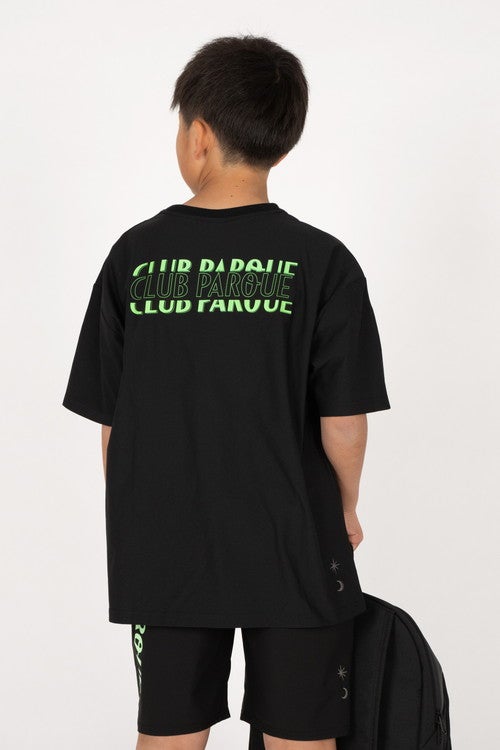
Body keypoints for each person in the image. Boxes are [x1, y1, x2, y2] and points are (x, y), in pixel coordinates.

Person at [62, 34, 391, 750]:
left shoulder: (135, 257)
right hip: (296, 541)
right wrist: (343, 506)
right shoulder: (324, 262)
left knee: (170, 734)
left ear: (199, 135)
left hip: (169, 548)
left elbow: (114, 426)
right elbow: (344, 421)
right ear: (281, 141)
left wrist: (145, 521)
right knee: (302, 736)